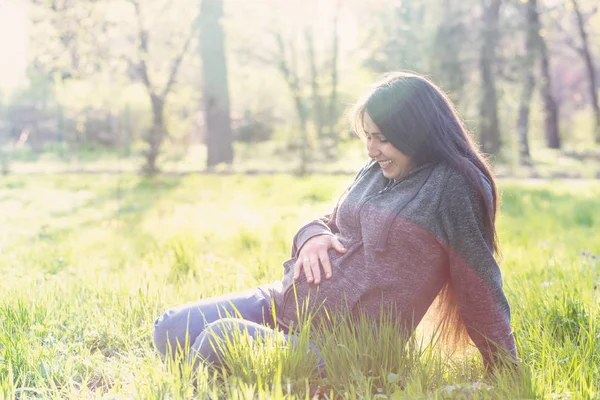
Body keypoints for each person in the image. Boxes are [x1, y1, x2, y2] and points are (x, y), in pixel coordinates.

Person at [152, 72, 517, 372]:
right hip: (285, 305)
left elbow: (479, 282)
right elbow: (330, 218)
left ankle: (245, 374)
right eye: (368, 138)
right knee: (168, 328)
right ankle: (244, 371)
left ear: (417, 132)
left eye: (383, 139)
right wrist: (311, 236)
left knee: (217, 339)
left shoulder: (452, 186)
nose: (371, 151)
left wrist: (506, 369)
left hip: (340, 349)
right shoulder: (378, 170)